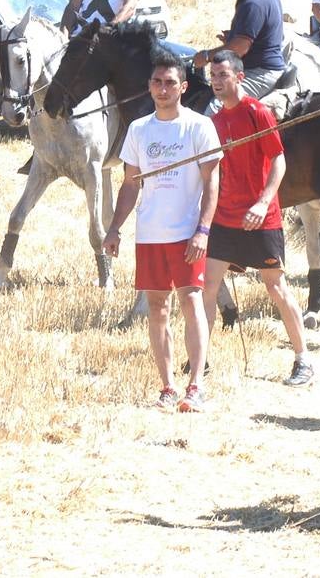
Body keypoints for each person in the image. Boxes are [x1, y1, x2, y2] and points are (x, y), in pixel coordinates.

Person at [103, 51, 221, 413]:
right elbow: (129, 184)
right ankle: (167, 386)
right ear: (149, 86)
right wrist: (114, 229)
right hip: (150, 233)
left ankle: (195, 385)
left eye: (170, 82)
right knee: (158, 308)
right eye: (157, 82)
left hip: (186, 233)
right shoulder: (139, 129)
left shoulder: (199, 127)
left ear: (183, 87)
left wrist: (202, 230)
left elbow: (212, 182)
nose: (163, 88)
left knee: (190, 301)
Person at [203, 50, 313, 386]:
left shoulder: (256, 112)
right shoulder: (215, 121)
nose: (217, 81)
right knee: (207, 287)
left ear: (239, 76)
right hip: (225, 218)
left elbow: (278, 160)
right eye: (213, 76)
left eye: (223, 75)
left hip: (261, 219)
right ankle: (199, 361)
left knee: (276, 287)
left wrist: (264, 203)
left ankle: (303, 361)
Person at [192, 0, 285, 112]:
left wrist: (207, 56)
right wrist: (233, 36)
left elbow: (240, 48)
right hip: (257, 66)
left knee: (214, 111)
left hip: (260, 71)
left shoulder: (254, 2)